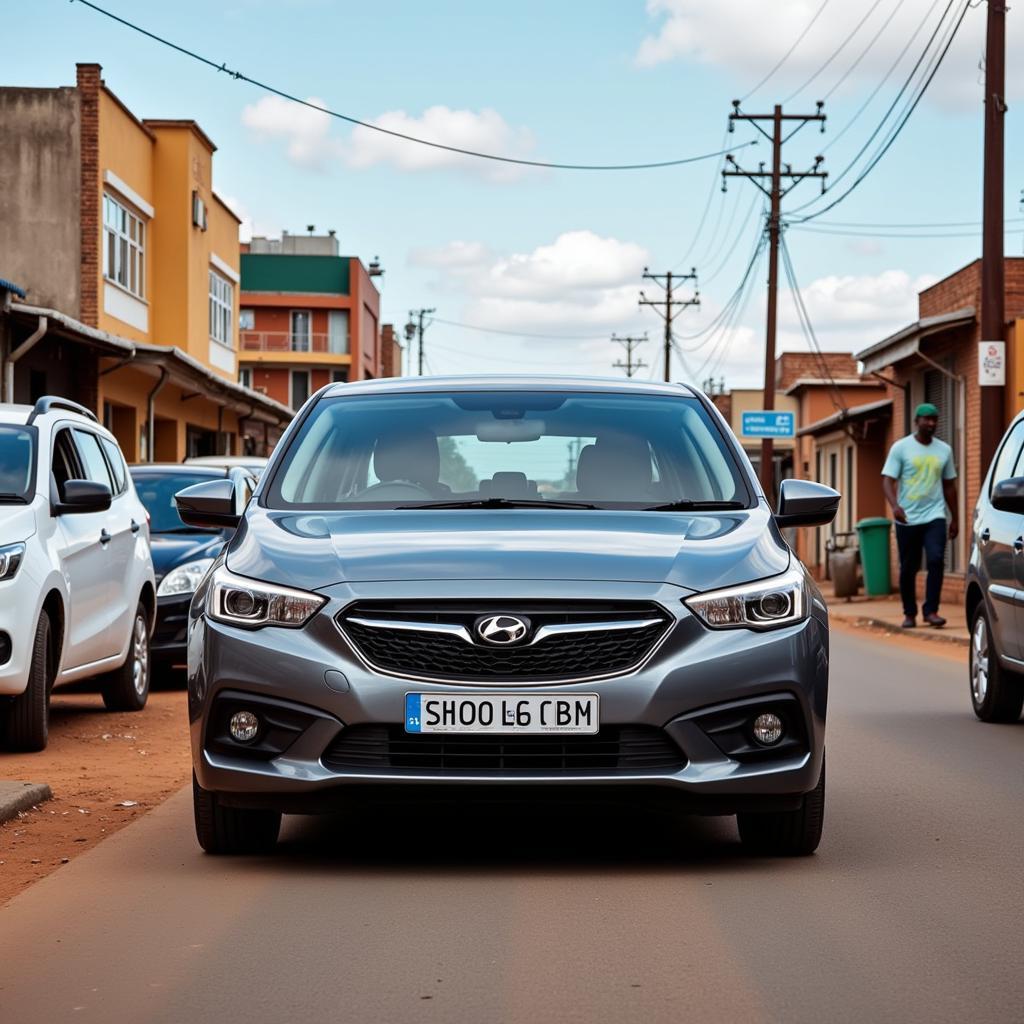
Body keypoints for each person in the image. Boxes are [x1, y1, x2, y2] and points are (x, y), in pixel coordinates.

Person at [881, 402, 958, 628]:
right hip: (907, 517)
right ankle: (909, 613)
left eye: (934, 419)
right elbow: (887, 480)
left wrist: (954, 518)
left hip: (935, 515)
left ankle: (931, 610)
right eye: (926, 419)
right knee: (909, 567)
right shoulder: (901, 448)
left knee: (935, 559)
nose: (931, 423)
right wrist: (895, 506)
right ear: (917, 422)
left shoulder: (944, 450)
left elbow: (949, 486)